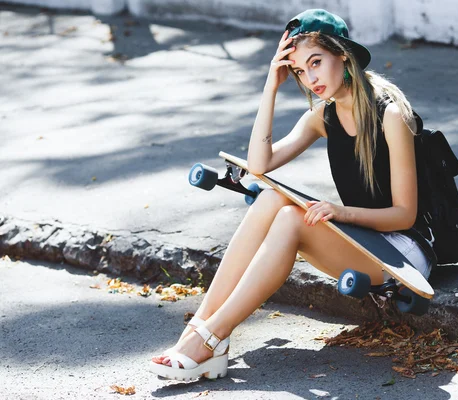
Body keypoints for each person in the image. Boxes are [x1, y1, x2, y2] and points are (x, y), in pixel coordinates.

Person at [149, 9, 436, 381]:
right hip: (364, 240)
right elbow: (259, 164)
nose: (310, 77)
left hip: (403, 252)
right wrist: (271, 85)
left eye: (316, 62)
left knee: (289, 218)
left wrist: (340, 212)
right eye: (299, 70)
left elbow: (404, 216)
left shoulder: (389, 114)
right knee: (271, 198)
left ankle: (210, 338)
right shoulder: (323, 116)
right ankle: (199, 331)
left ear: (343, 55)